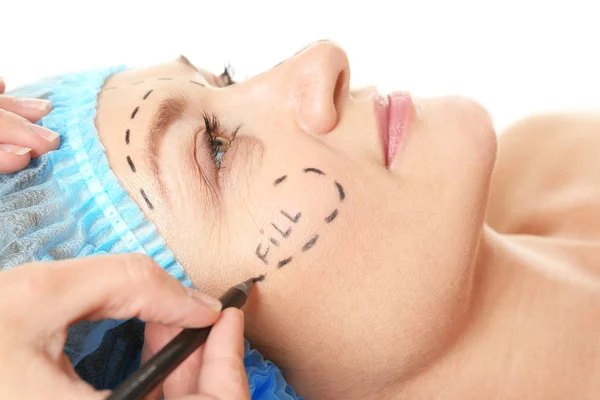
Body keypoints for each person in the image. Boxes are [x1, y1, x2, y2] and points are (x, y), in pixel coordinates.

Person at [1, 40, 599, 399]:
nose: (319, 61)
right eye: (215, 149)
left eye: (225, 80)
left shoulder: (558, 158)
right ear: (201, 361)